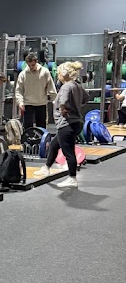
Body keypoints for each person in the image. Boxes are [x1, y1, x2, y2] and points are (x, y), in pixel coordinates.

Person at [36, 61, 87, 189]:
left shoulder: (66, 86)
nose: (58, 75)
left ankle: (72, 178)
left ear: (64, 74)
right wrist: (76, 105)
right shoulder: (77, 86)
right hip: (76, 123)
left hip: (67, 124)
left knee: (68, 152)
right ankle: (46, 168)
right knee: (54, 145)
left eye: (58, 73)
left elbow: (63, 100)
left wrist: (63, 108)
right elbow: (86, 98)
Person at [16, 51, 56, 131]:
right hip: (28, 103)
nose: (31, 67)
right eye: (29, 65)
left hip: (41, 103)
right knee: (28, 128)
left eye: (33, 65)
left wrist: (54, 100)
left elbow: (50, 87)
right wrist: (20, 102)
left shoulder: (45, 72)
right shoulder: (23, 74)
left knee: (41, 128)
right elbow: (19, 90)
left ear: (36, 62)